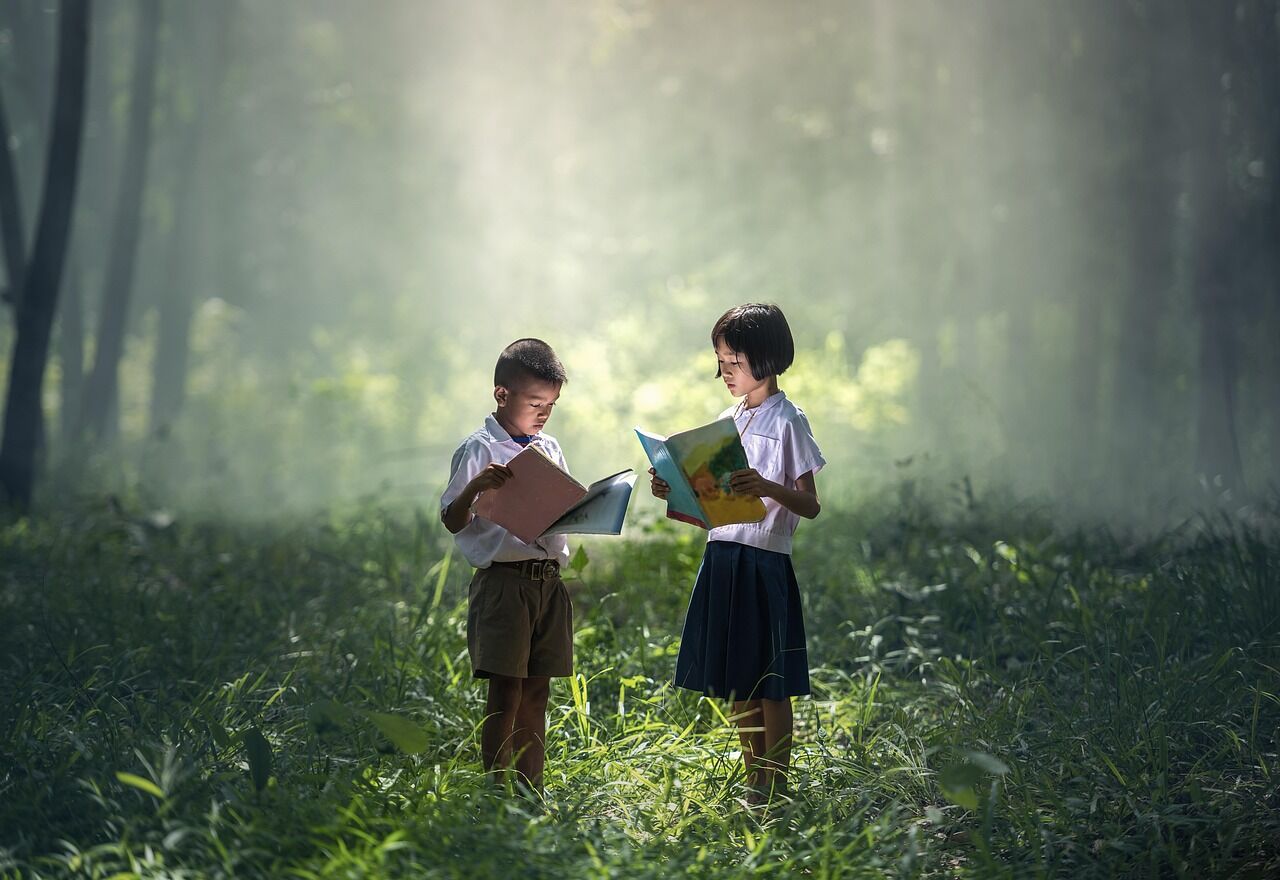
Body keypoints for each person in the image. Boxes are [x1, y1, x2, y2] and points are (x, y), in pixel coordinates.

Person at [650, 303, 825, 804]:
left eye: (732, 362)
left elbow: (810, 504)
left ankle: (778, 783)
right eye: (719, 362)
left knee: (772, 679)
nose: (722, 373)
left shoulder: (790, 419)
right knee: (739, 678)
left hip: (764, 559)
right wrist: (675, 488)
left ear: (765, 358)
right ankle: (755, 781)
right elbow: (709, 500)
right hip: (723, 555)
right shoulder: (728, 421)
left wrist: (768, 485)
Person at [440, 338, 573, 793]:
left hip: (547, 584)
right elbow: (452, 520)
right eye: (535, 402)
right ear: (502, 394)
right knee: (506, 692)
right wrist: (475, 487)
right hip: (504, 585)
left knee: (538, 691)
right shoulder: (478, 449)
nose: (543, 413)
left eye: (551, 404)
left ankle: (530, 788)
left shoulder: (549, 447)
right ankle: (499, 790)